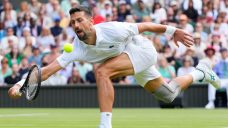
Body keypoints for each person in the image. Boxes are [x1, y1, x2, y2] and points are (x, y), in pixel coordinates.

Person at [8, 6, 221, 128]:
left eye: (80, 20)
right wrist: (20, 84)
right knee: (168, 95)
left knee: (102, 72)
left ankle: (105, 124)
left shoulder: (113, 29)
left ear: (91, 22)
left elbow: (145, 26)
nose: (76, 25)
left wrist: (173, 31)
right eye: (72, 22)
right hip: (127, 59)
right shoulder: (77, 48)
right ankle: (201, 72)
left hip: (142, 51)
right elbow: (47, 70)